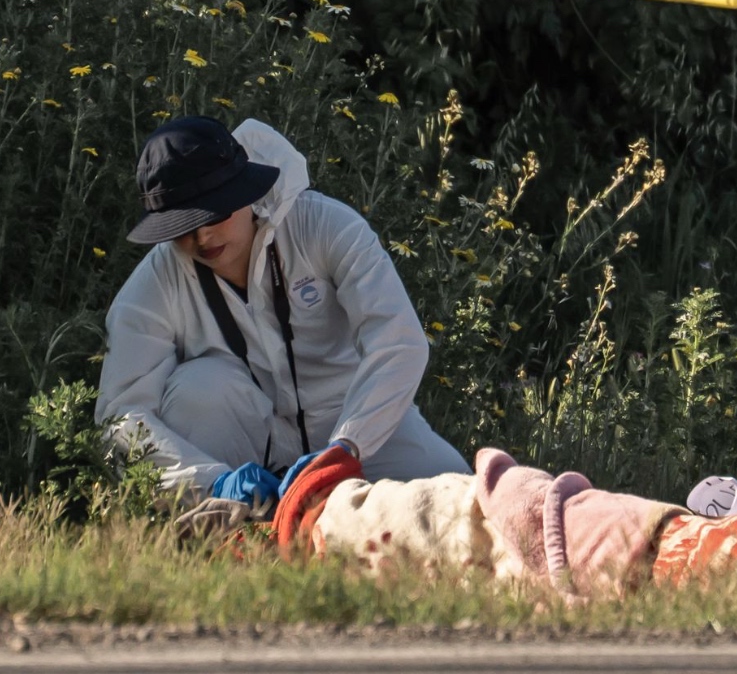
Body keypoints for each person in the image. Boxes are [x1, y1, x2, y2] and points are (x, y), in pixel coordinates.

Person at [95, 115, 470, 508]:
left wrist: (349, 445)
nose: (202, 237)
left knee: (455, 494)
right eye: (182, 226)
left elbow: (399, 344)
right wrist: (209, 479)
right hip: (234, 454)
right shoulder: (155, 281)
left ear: (244, 191)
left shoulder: (324, 226)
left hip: (352, 423)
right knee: (200, 388)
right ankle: (223, 531)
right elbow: (121, 413)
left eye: (212, 214)